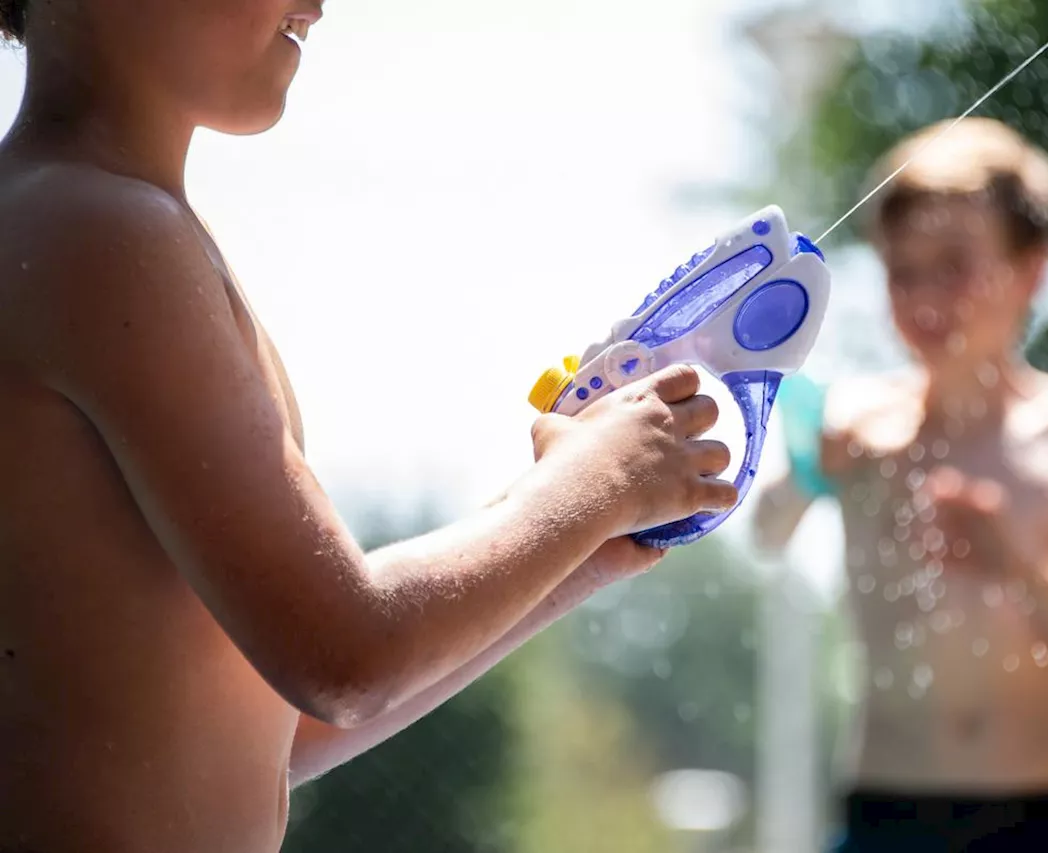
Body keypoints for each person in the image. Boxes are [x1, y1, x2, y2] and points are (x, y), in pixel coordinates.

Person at [0, 1, 740, 850]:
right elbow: (342, 656)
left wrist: (578, 549)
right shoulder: (99, 235)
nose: (318, 4)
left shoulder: (103, 223)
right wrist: (593, 484)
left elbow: (283, 722)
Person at [751, 118, 1048, 852]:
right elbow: (766, 534)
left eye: (954, 264)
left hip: (1047, 815)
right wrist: (810, 471)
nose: (924, 296)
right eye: (901, 270)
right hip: (887, 813)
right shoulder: (857, 421)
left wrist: (1025, 566)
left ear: (1032, 271)